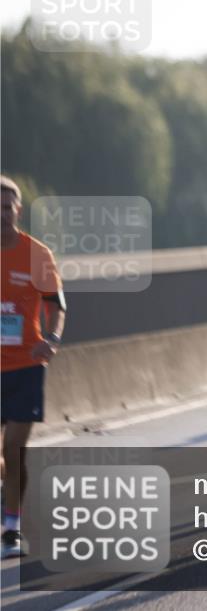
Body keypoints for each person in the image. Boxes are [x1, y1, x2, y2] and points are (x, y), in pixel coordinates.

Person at [1, 176, 66, 559]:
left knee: (14, 446)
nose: (1, 215)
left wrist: (52, 339)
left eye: (7, 207)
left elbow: (57, 306)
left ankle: (11, 527)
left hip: (26, 363)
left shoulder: (37, 254)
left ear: (18, 211)